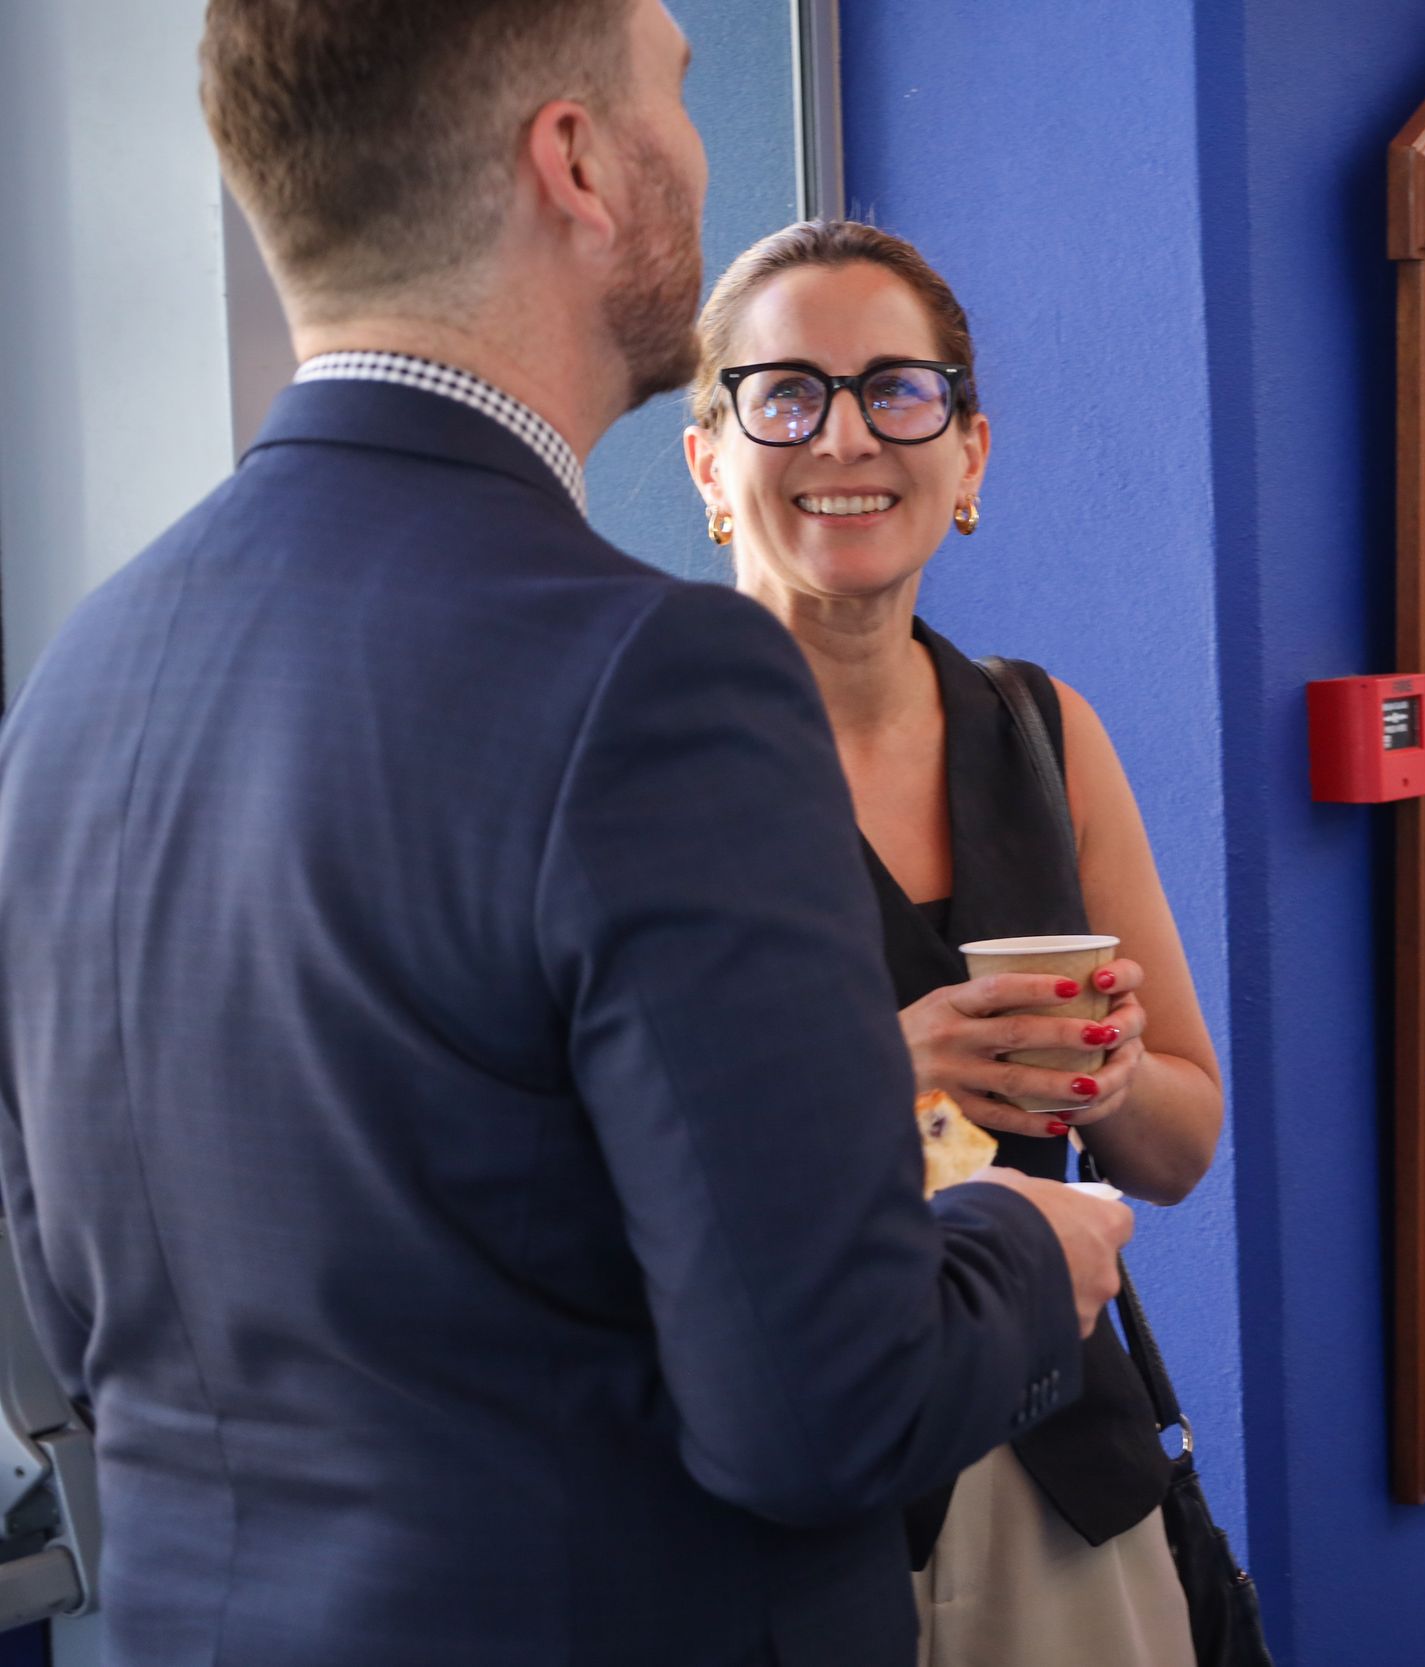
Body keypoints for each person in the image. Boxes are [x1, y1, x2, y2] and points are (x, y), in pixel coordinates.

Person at [0, 5, 1128, 1665]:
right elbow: (822, 1411)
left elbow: (75, 1321)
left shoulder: (84, 675)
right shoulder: (658, 678)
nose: (699, 150)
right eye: (677, 88)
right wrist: (1024, 1246)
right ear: (579, 164)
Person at [681, 220, 1222, 1667]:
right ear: (709, 465)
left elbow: (1181, 1147)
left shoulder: (1041, 731)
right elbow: (573, 1181)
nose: (846, 434)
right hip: (779, 1491)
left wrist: (1102, 1072)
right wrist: (891, 1068)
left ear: (968, 454)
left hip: (1054, 1472)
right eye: (785, 395)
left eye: (897, 390)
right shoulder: (641, 759)